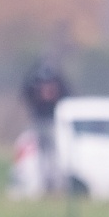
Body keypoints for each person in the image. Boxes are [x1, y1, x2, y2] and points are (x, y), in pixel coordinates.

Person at [20, 58, 70, 195]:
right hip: (43, 120)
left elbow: (66, 93)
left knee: (50, 154)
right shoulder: (45, 79)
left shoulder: (41, 79)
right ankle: (46, 184)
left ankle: (51, 184)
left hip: (49, 120)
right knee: (46, 154)